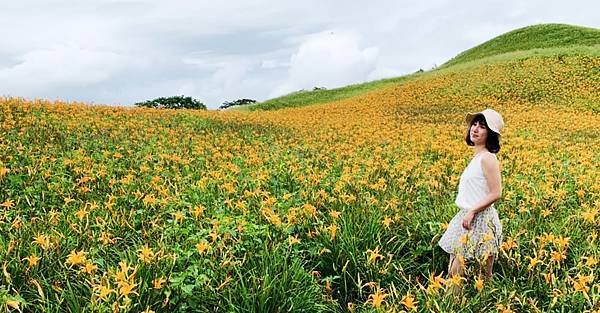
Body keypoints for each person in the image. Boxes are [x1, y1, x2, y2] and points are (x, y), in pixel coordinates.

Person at [438, 108, 504, 294]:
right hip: (467, 216)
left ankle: (465, 304)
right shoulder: (477, 157)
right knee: (455, 270)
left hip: (481, 219)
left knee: (480, 275)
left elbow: (496, 192)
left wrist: (473, 210)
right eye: (474, 124)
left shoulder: (488, 158)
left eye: (482, 126)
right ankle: (453, 304)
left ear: (490, 134)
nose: (475, 129)